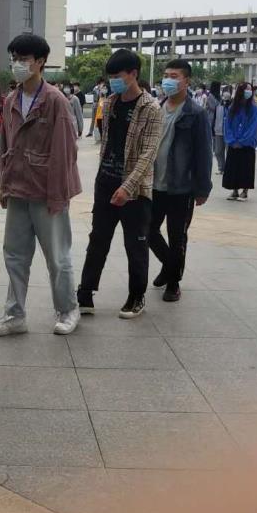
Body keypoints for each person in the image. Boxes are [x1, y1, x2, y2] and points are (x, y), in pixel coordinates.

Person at [0, 34, 81, 337]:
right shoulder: (11, 100)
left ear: (40, 62)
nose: (18, 64)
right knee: (14, 255)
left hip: (47, 192)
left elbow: (65, 152)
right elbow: (6, 147)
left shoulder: (55, 101)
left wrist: (58, 196)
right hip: (18, 190)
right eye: (14, 58)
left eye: (24, 59)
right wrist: (4, 185)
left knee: (57, 257)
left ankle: (68, 309)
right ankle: (14, 315)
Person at [77, 50, 162, 319]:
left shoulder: (151, 108)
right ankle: (85, 292)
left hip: (135, 190)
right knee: (98, 239)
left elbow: (148, 154)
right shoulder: (110, 102)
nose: (112, 80)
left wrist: (127, 187)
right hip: (106, 182)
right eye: (110, 76)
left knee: (135, 243)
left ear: (133, 74)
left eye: (117, 75)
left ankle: (136, 296)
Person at [149, 59, 212, 302]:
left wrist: (202, 187)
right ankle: (170, 266)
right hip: (154, 184)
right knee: (147, 229)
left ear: (186, 81)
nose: (168, 80)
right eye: (166, 75)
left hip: (181, 186)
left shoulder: (196, 113)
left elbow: (204, 152)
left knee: (177, 236)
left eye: (174, 76)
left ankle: (173, 283)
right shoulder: (156, 108)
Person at [223, 82, 257, 201]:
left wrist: (243, 141)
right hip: (234, 144)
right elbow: (227, 125)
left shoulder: (253, 108)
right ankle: (234, 190)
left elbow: (253, 127)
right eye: (246, 89)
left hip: (247, 144)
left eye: (250, 89)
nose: (249, 92)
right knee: (233, 167)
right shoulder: (232, 108)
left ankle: (245, 191)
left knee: (246, 168)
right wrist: (232, 141)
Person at [213, 85, 231, 174]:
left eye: (227, 99)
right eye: (223, 98)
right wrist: (213, 129)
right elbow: (214, 118)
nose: (224, 101)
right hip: (218, 131)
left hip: (229, 133)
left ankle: (229, 169)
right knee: (218, 151)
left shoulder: (232, 107)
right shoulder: (218, 106)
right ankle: (221, 168)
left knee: (229, 152)